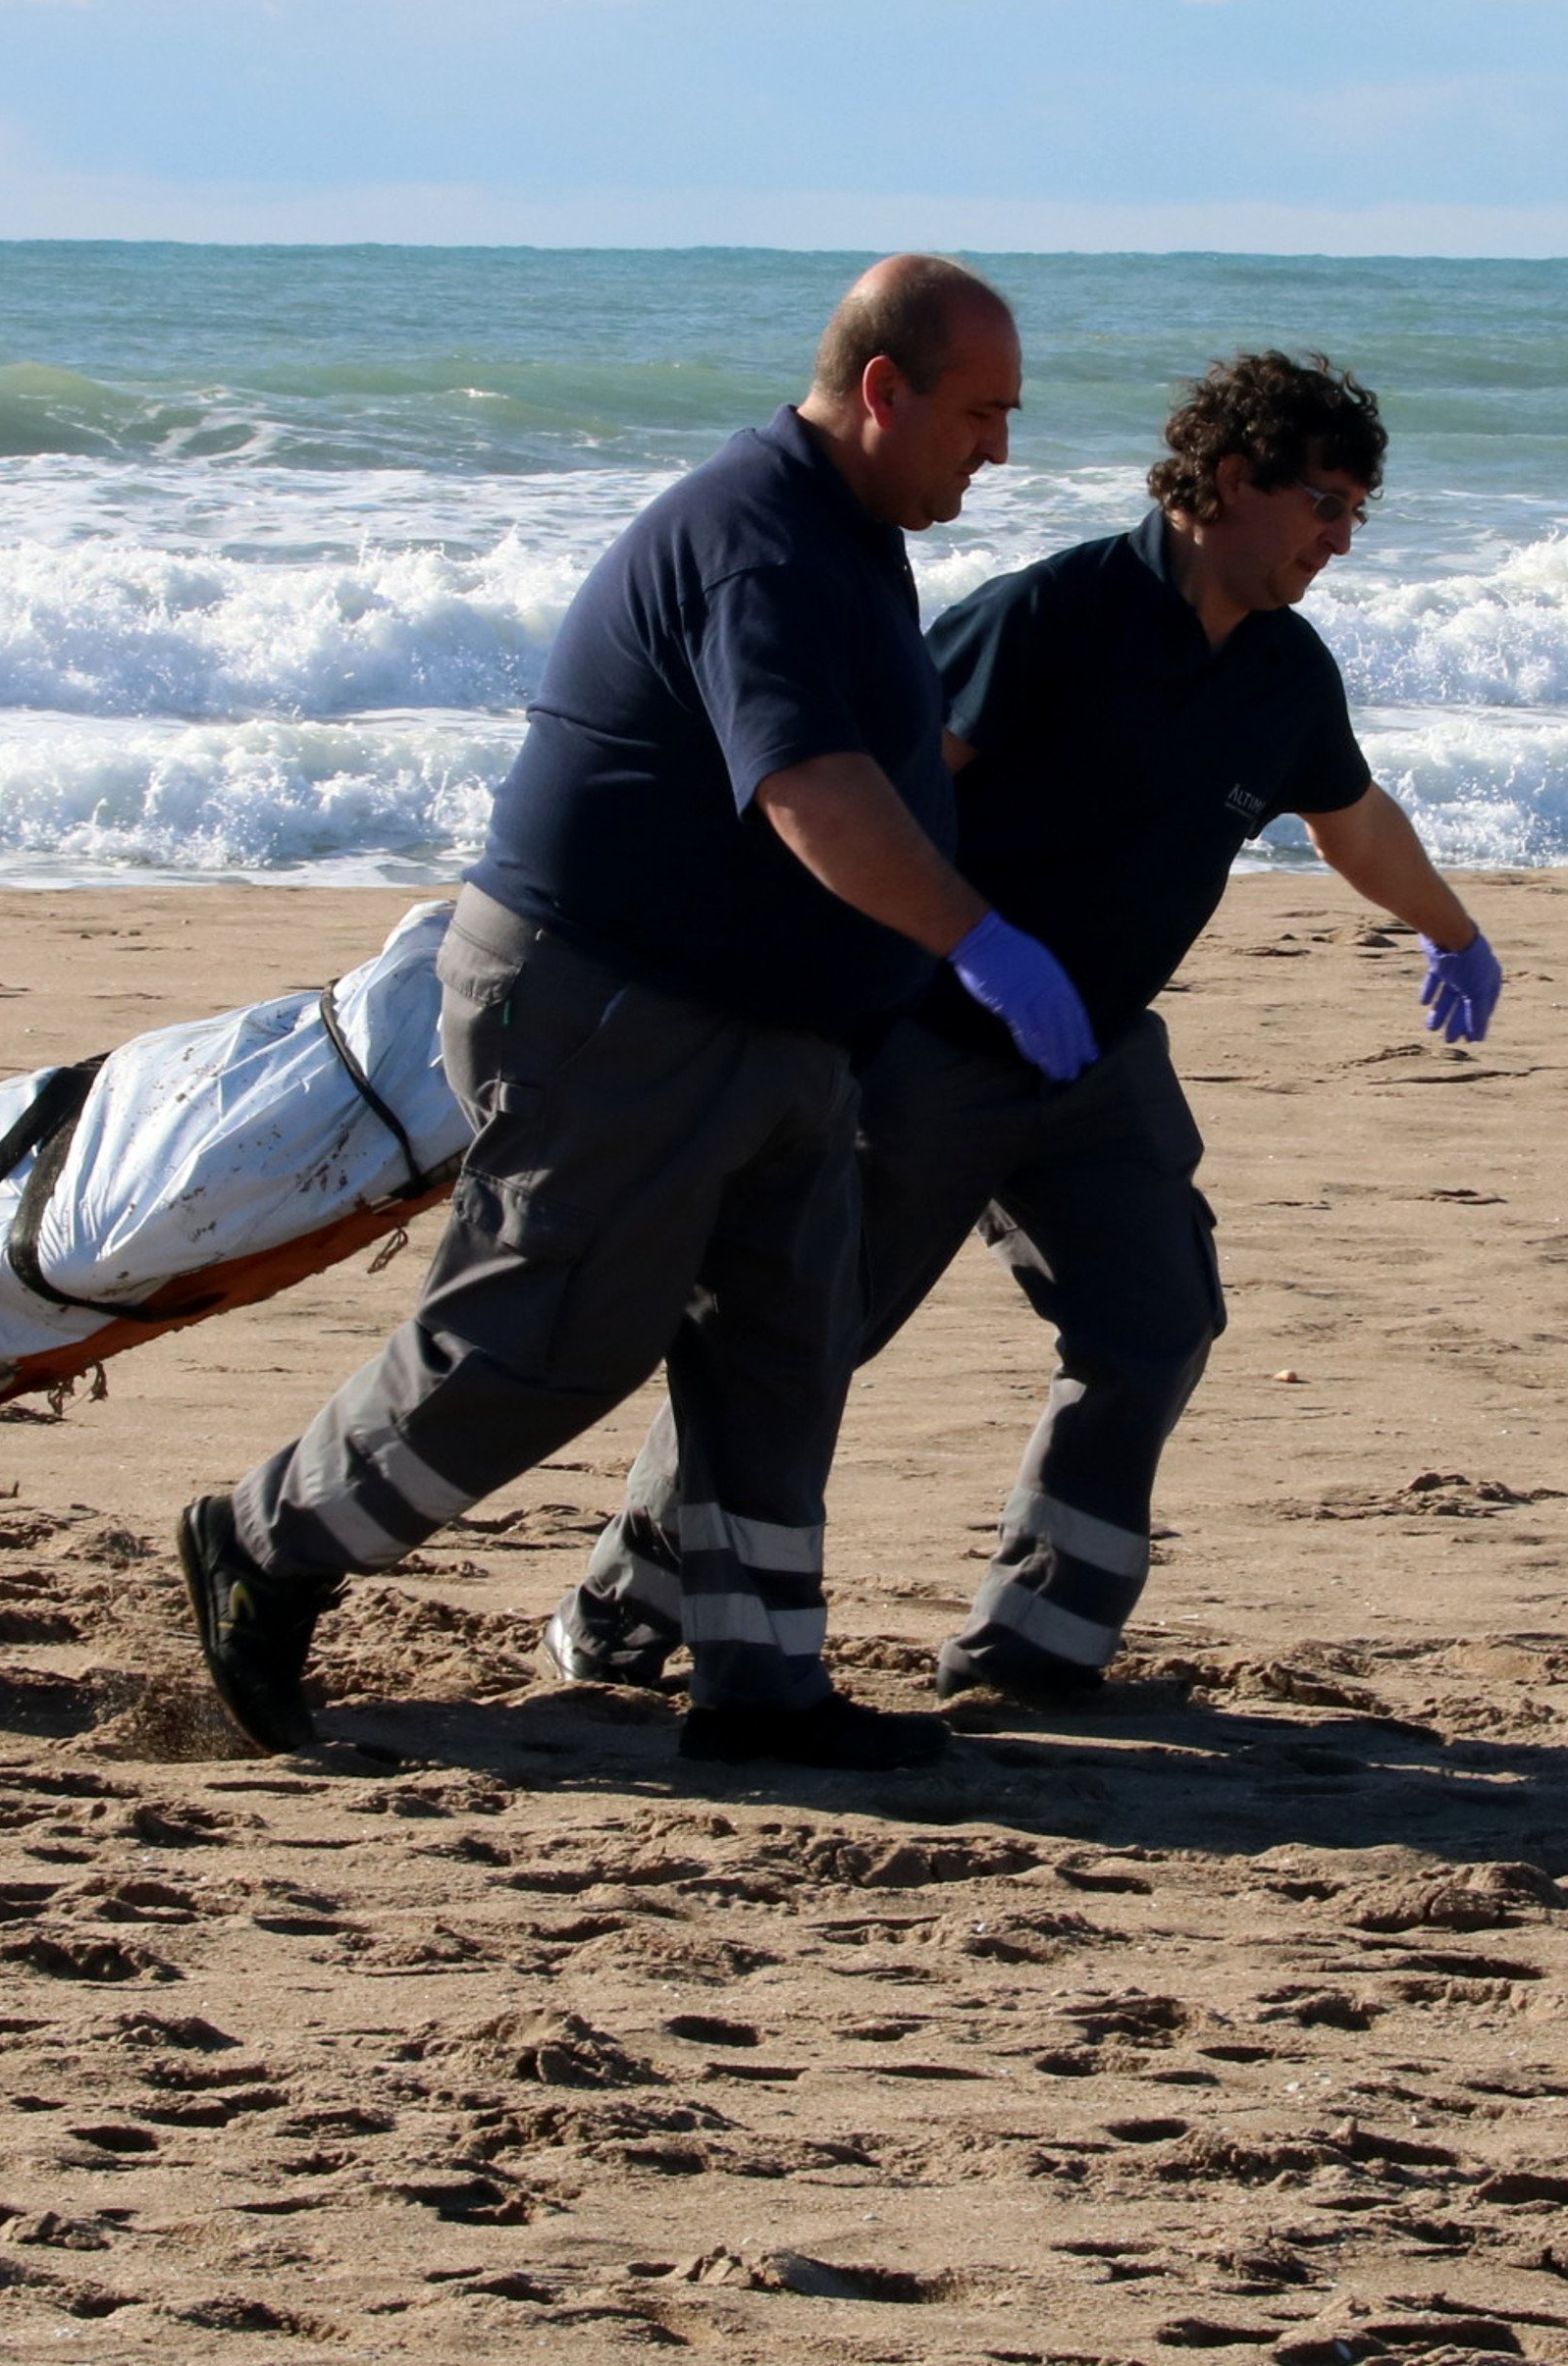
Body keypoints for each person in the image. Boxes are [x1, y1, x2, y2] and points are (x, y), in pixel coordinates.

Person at [177, 256, 1104, 1770]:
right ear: (882, 390)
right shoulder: (763, 538)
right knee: (542, 1336)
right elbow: (810, 790)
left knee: (781, 1346)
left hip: (777, 1030)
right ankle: (264, 1544)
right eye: (980, 413)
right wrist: (979, 940)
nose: (997, 448)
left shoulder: (858, 531)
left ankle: (760, 1687)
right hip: (619, 1007)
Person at [545, 348, 1497, 1710]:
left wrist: (1451, 928)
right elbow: (859, 791)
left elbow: (1350, 820)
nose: (1340, 540)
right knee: (803, 1341)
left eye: (1357, 514)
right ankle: (622, 1602)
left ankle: (1034, 1648)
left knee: (1156, 1322)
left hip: (1098, 1057)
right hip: (927, 1050)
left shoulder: (1285, 673)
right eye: (1325, 504)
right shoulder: (1050, 616)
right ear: (1229, 481)